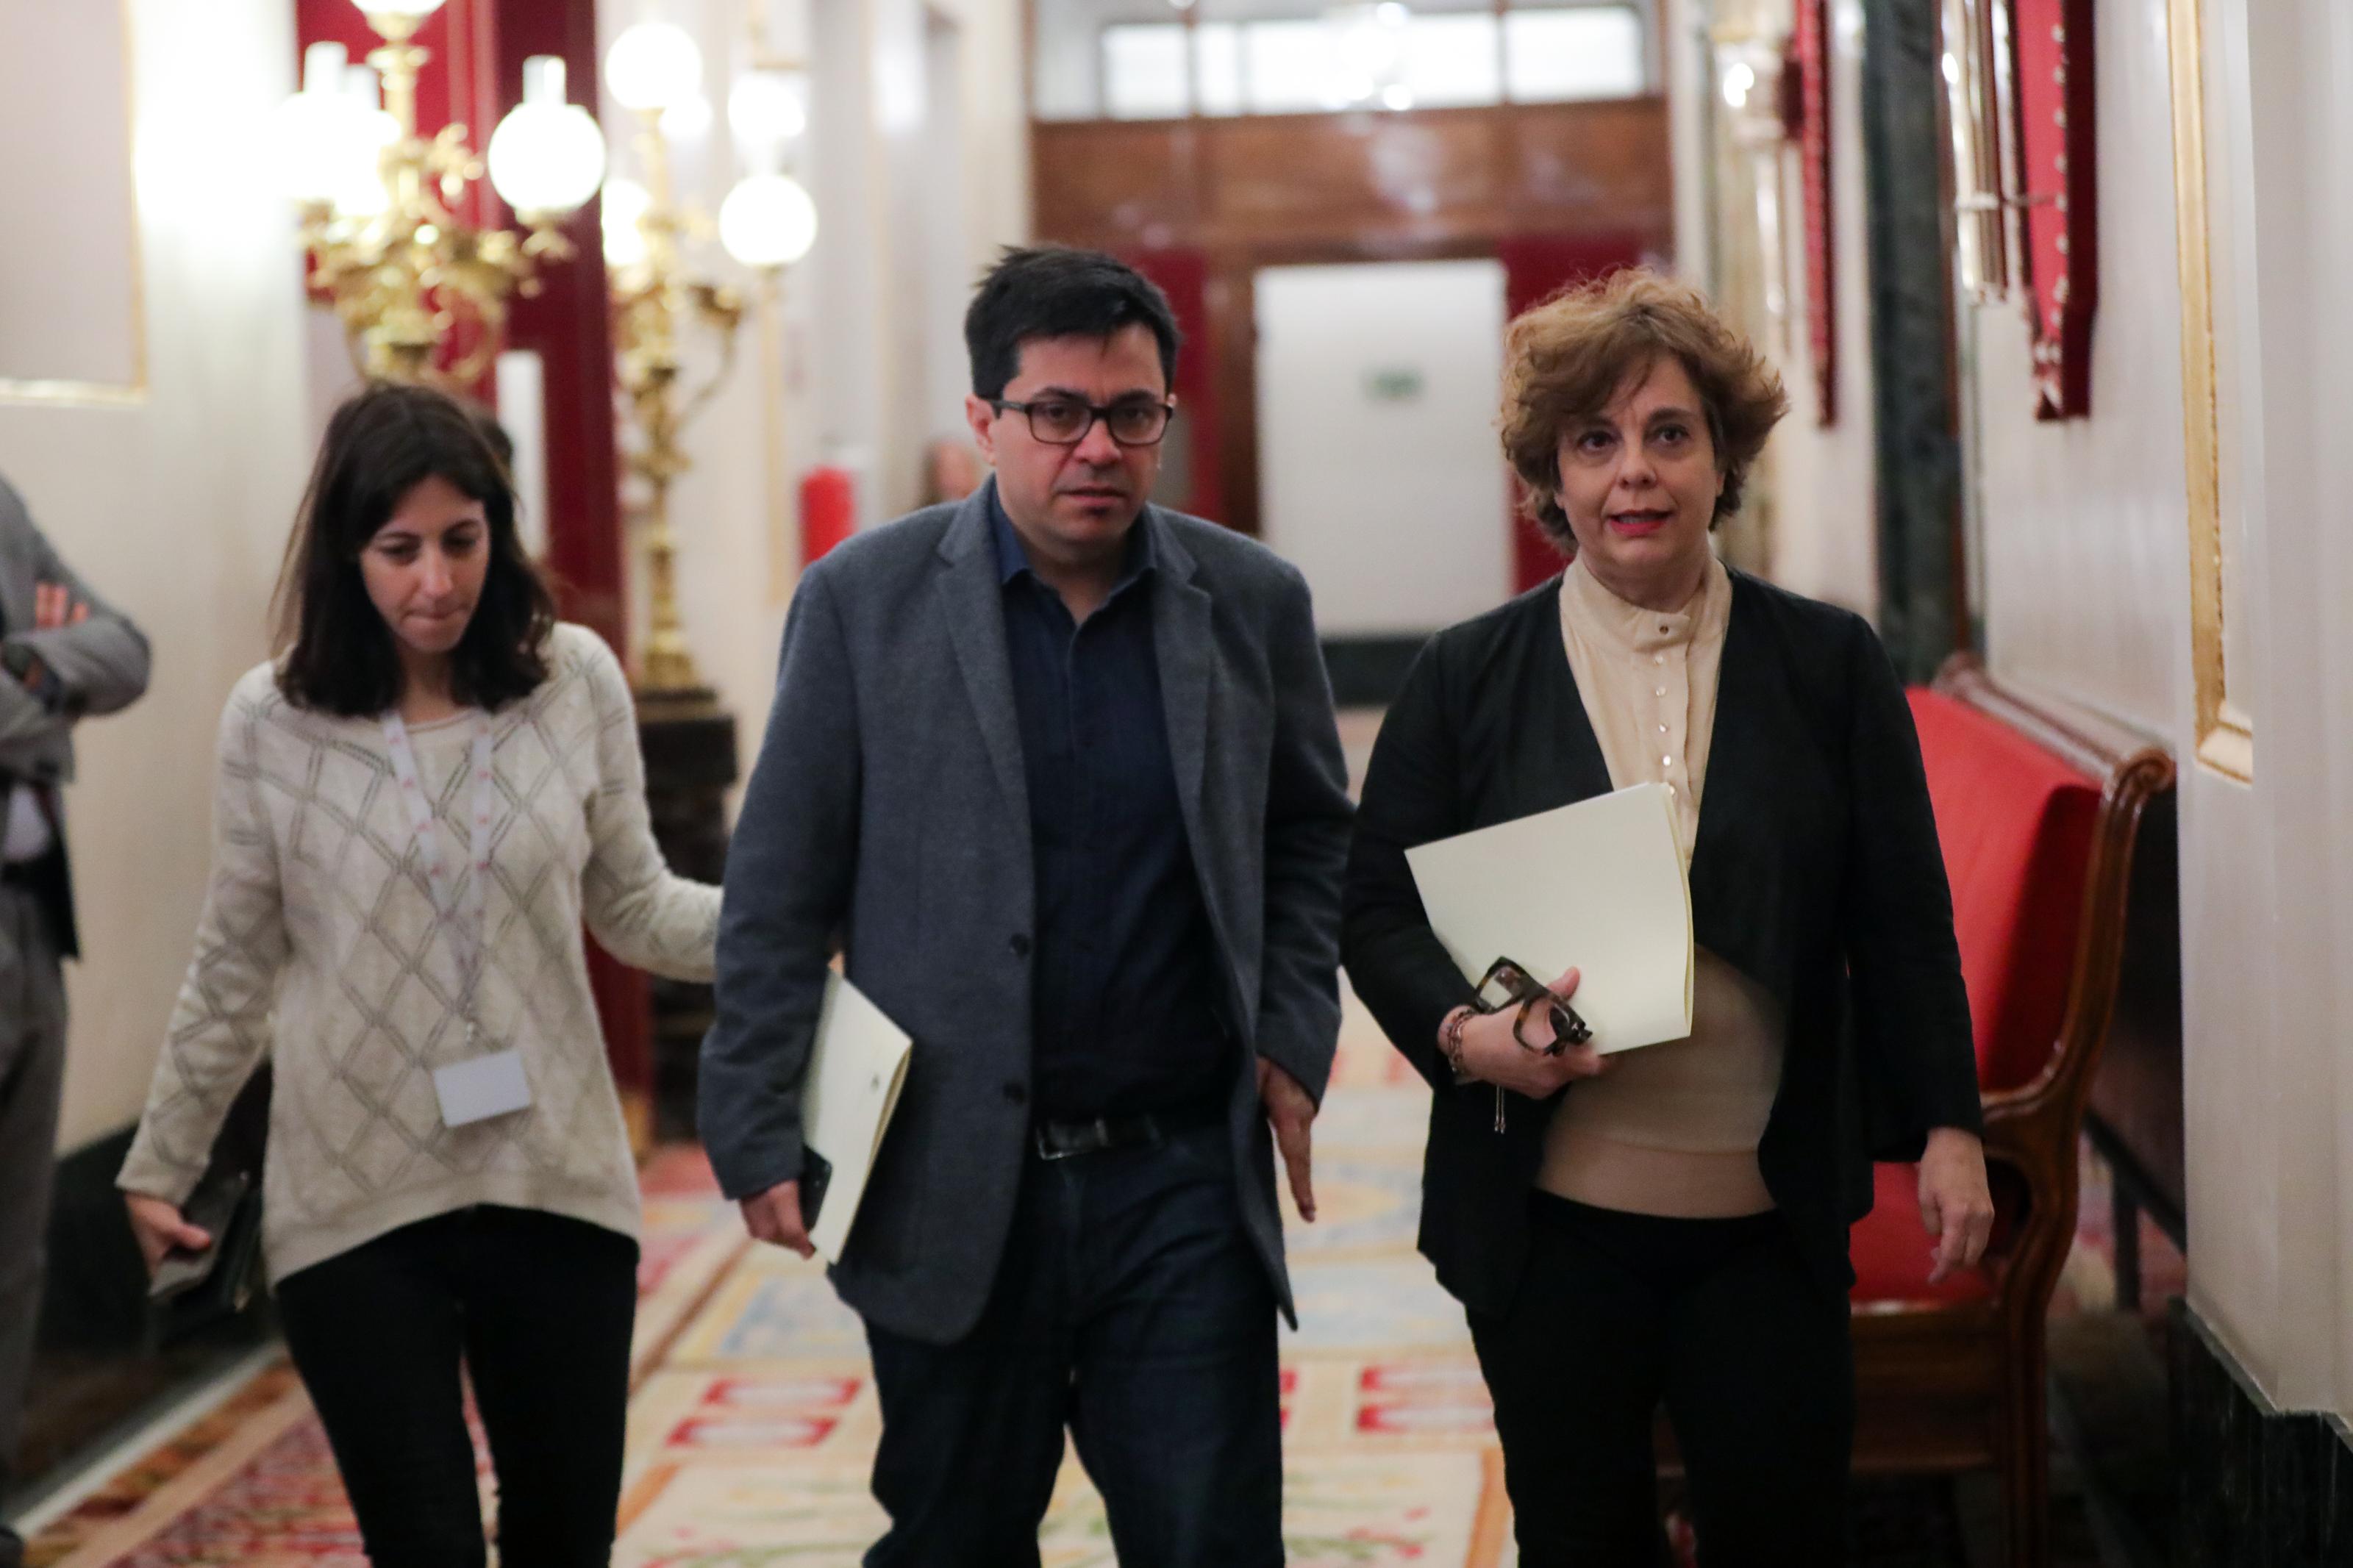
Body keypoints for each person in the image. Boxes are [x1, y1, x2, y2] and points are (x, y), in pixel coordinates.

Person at [700, 245, 1353, 1568]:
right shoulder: (861, 607)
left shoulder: (1250, 602)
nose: (1096, 447)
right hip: (949, 1176)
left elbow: (1309, 841)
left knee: (1212, 1541)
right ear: (985, 422)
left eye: (1132, 413)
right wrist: (754, 1112)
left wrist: (1291, 1030)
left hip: (1178, 1175)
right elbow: (778, 887)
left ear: (1166, 417)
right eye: (1056, 413)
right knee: (953, 1539)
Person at [1340, 269, 1995, 1567]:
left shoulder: (1827, 662)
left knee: (1784, 1537)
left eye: (1668, 434)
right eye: (1595, 441)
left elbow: (1903, 918)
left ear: (1722, 459)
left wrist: (1951, 1126)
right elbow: (1375, 911)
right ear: (1552, 476)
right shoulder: (1465, 674)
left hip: (1767, 1223)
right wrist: (1469, 1036)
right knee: (1581, 1543)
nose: (1633, 472)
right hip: (1549, 1227)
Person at [116, 382, 718, 1568]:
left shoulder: (573, 680)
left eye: (461, 541)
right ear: (349, 553)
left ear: (499, 532)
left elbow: (638, 905)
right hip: (354, 1203)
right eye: (399, 550)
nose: (436, 582)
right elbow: (236, 958)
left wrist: (812, 926)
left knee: (562, 1542)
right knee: (423, 1546)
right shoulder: (271, 718)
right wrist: (162, 1159)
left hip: (554, 1181)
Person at [0, 478, 150, 1568]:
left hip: (33, 916)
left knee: (17, 1245)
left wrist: (30, 667)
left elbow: (128, 647)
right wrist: (47, 676)